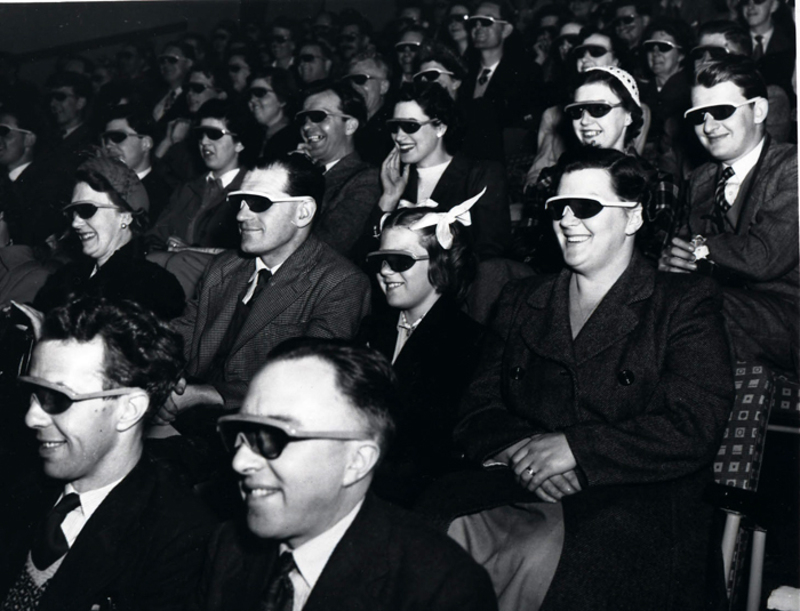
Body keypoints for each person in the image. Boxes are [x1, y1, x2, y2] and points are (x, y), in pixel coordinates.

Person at [443, 148, 733, 611]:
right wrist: (530, 453)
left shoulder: (683, 302)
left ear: (633, 217)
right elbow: (477, 409)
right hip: (519, 484)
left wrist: (577, 450)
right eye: (559, 207)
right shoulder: (521, 299)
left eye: (588, 206)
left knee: (541, 562)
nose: (569, 220)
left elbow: (692, 424)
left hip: (634, 504)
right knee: (431, 533)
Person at [188, 338, 498, 611]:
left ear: (357, 462)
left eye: (272, 436)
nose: (240, 461)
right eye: (241, 433)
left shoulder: (442, 593)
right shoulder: (229, 546)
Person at [0, 297, 215, 611]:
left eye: (56, 397)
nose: (32, 416)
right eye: (33, 392)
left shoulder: (180, 541)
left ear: (129, 410)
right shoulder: (18, 482)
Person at [164, 155, 371, 427]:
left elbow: (306, 381)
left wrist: (206, 395)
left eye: (259, 203)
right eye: (241, 202)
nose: (241, 214)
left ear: (303, 212)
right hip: (185, 415)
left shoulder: (340, 283)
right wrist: (163, 374)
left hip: (260, 427)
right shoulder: (225, 267)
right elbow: (182, 335)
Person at [659, 56, 798, 375]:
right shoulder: (700, 179)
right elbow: (683, 252)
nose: (708, 126)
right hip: (724, 311)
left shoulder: (793, 168)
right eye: (698, 116)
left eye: (722, 111)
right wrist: (671, 262)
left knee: (695, 304)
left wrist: (696, 251)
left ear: (759, 110)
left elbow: (764, 256)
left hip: (790, 322)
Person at [358, 198, 484, 506]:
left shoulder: (468, 341)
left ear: (440, 263)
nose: (385, 272)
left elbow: (431, 445)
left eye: (400, 261)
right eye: (380, 261)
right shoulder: (373, 327)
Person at [376, 81, 511, 260]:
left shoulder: (481, 175)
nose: (399, 137)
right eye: (394, 127)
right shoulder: (395, 181)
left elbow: (491, 254)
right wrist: (388, 199)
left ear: (440, 127)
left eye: (410, 126)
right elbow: (371, 255)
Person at [297, 81, 380, 259]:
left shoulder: (366, 180)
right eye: (304, 119)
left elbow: (330, 245)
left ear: (349, 125)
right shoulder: (303, 173)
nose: (306, 127)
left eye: (318, 116)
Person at [461, 0, 542, 161]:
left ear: (506, 30)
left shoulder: (526, 73)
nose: (478, 28)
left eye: (486, 21)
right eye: (474, 22)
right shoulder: (463, 72)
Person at [101, 105, 173, 224]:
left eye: (117, 137)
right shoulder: (99, 186)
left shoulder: (164, 197)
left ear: (145, 143)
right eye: (106, 139)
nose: (109, 146)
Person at [344, 52, 395, 166]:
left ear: (383, 87)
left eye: (360, 79)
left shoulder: (392, 131)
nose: (353, 86)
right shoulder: (346, 124)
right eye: (349, 81)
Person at [248, 67, 301, 164]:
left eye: (260, 93)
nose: (252, 100)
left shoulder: (293, 140)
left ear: (282, 99)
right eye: (250, 95)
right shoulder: (252, 138)